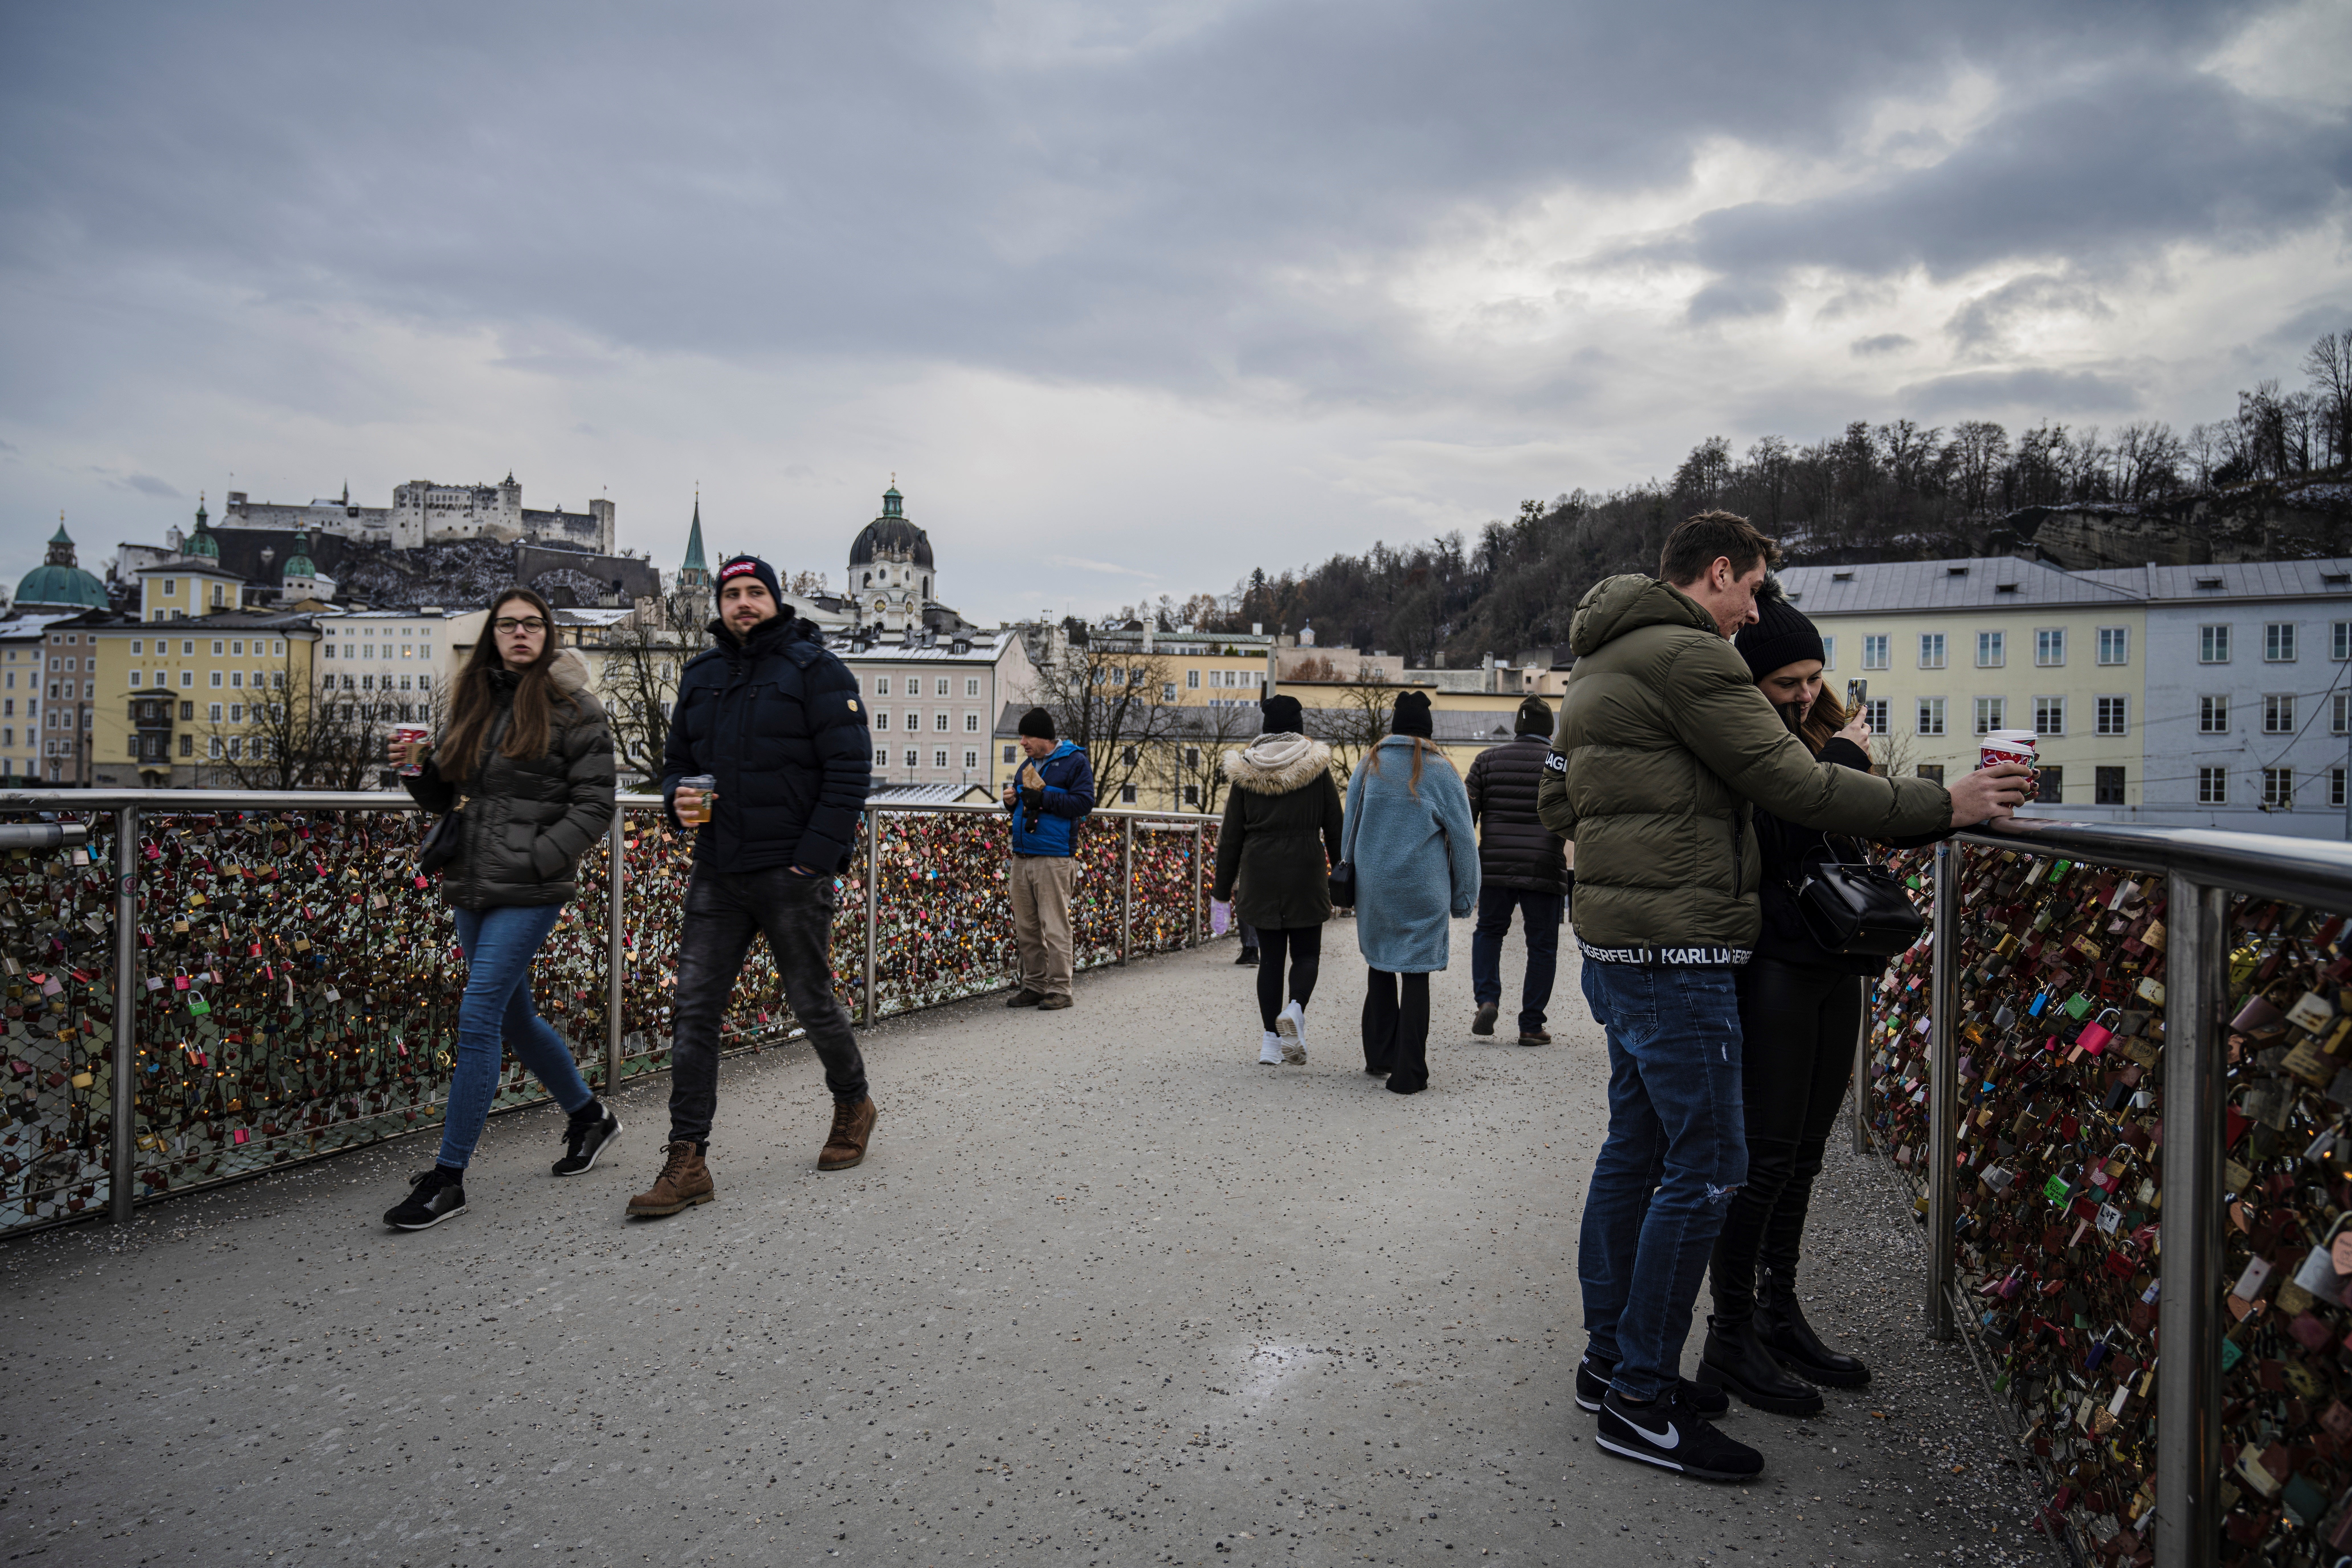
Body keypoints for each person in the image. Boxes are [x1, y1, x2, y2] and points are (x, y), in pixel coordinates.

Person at [1539, 511, 2031, 1482]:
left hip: (1614, 943)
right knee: (1711, 1166)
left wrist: (1672, 806)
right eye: (1754, 586)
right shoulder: (1690, 657)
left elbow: (1559, 802)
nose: (1757, 606)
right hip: (1677, 951)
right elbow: (1797, 787)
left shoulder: (1600, 660)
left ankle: (1610, 1365)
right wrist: (1947, 805)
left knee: (1635, 1150)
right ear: (1717, 573)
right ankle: (1638, 1397)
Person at [1700, 582, 1942, 1414]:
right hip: (1773, 963)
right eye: (1787, 681)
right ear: (1755, 679)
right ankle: (1728, 1335)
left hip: (1835, 960)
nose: (1805, 692)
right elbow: (1786, 827)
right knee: (1762, 1158)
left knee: (1805, 1153)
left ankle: (1777, 1312)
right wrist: (1844, 760)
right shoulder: (1748, 737)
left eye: (1813, 677)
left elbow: (1855, 824)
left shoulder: (1822, 734)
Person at [634, 554, 876, 1218]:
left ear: (776, 600)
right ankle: (687, 1160)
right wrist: (674, 797)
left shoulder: (815, 669)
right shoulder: (702, 674)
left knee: (809, 999)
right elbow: (677, 762)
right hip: (718, 868)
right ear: (720, 604)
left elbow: (850, 771)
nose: (743, 603)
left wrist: (813, 861)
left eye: (754, 592)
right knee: (694, 1010)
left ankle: (853, 1103)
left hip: (790, 870)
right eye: (732, 593)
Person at [382, 587, 619, 1231]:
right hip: (472, 881)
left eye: (532, 624)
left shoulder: (575, 707)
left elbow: (596, 804)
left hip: (531, 887)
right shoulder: (474, 700)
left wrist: (546, 858)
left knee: (479, 1012)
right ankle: (589, 1115)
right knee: (515, 1018)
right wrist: (414, 769)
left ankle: (448, 1177)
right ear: (494, 634)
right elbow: (447, 794)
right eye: (508, 624)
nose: (520, 633)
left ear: (548, 635)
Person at [1342, 691, 1480, 1094]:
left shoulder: (1370, 766)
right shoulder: (1440, 771)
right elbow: (1464, 842)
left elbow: (1350, 829)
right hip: (1424, 890)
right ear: (1428, 731)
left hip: (1376, 887)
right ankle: (1410, 1073)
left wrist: (1349, 873)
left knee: (1381, 965)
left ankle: (1379, 1055)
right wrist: (1464, 896)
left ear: (1395, 726)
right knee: (1416, 975)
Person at [1211, 694, 1344, 1065]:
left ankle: (1271, 1042)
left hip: (1260, 872)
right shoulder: (1317, 769)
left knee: (1271, 958)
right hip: (1306, 870)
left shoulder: (1246, 772)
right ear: (1299, 726)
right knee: (1306, 954)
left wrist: (1221, 893)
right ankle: (1296, 1009)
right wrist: (1345, 876)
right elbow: (1336, 828)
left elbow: (1231, 838)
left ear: (1265, 727)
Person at [1464, 695, 1571, 1046]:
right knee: (1542, 946)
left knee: (1489, 932)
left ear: (1518, 726)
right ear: (1548, 730)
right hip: (1544, 866)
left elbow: (1466, 818)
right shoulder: (1561, 763)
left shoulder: (1487, 760)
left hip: (1495, 865)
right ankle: (1531, 1024)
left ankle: (1487, 999)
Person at [1001, 707, 1097, 1012]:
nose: (1023, 742)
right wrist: (1011, 802)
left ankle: (1060, 989)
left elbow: (1084, 803)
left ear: (1044, 736)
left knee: (1055, 926)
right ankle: (1034, 985)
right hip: (1023, 855)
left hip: (1054, 857)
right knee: (1026, 927)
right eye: (1022, 737)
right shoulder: (1027, 766)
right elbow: (1022, 805)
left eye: (1027, 736)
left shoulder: (1074, 762)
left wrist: (1044, 798)